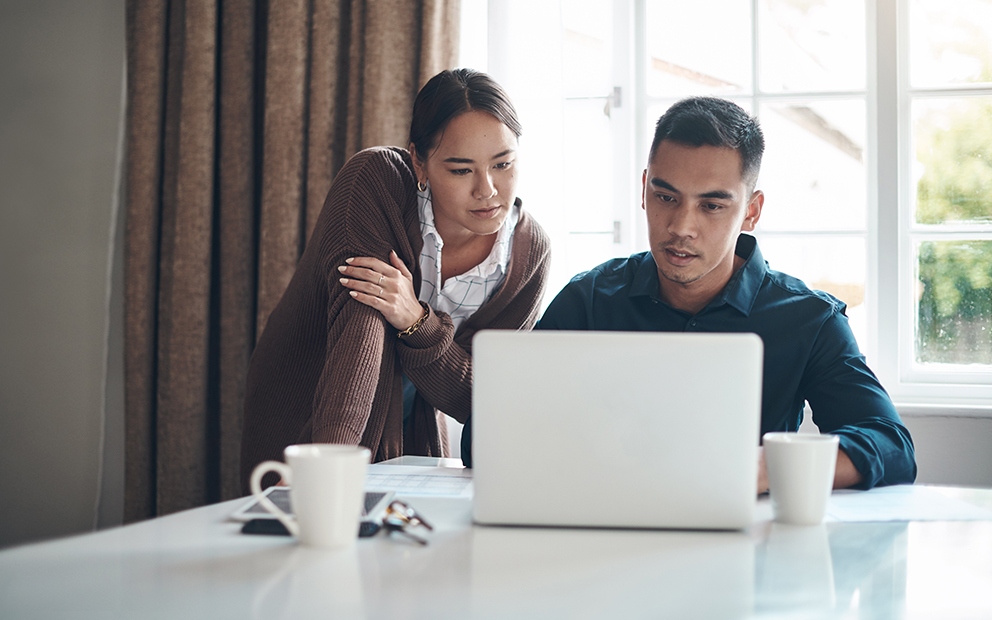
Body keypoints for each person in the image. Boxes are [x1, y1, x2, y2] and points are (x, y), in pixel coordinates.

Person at [536, 97, 916, 491]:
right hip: (600, 530)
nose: (682, 227)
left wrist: (768, 467)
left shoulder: (809, 319)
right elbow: (491, 436)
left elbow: (893, 448)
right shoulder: (590, 299)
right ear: (644, 190)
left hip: (747, 541)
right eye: (666, 197)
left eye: (712, 205)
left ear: (751, 212)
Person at [240, 69, 551, 492]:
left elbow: (482, 399)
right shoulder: (376, 182)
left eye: (503, 164)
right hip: (314, 405)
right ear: (419, 162)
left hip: (412, 427)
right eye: (461, 170)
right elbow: (359, 332)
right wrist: (325, 479)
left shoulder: (529, 254)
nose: (488, 190)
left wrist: (416, 321)